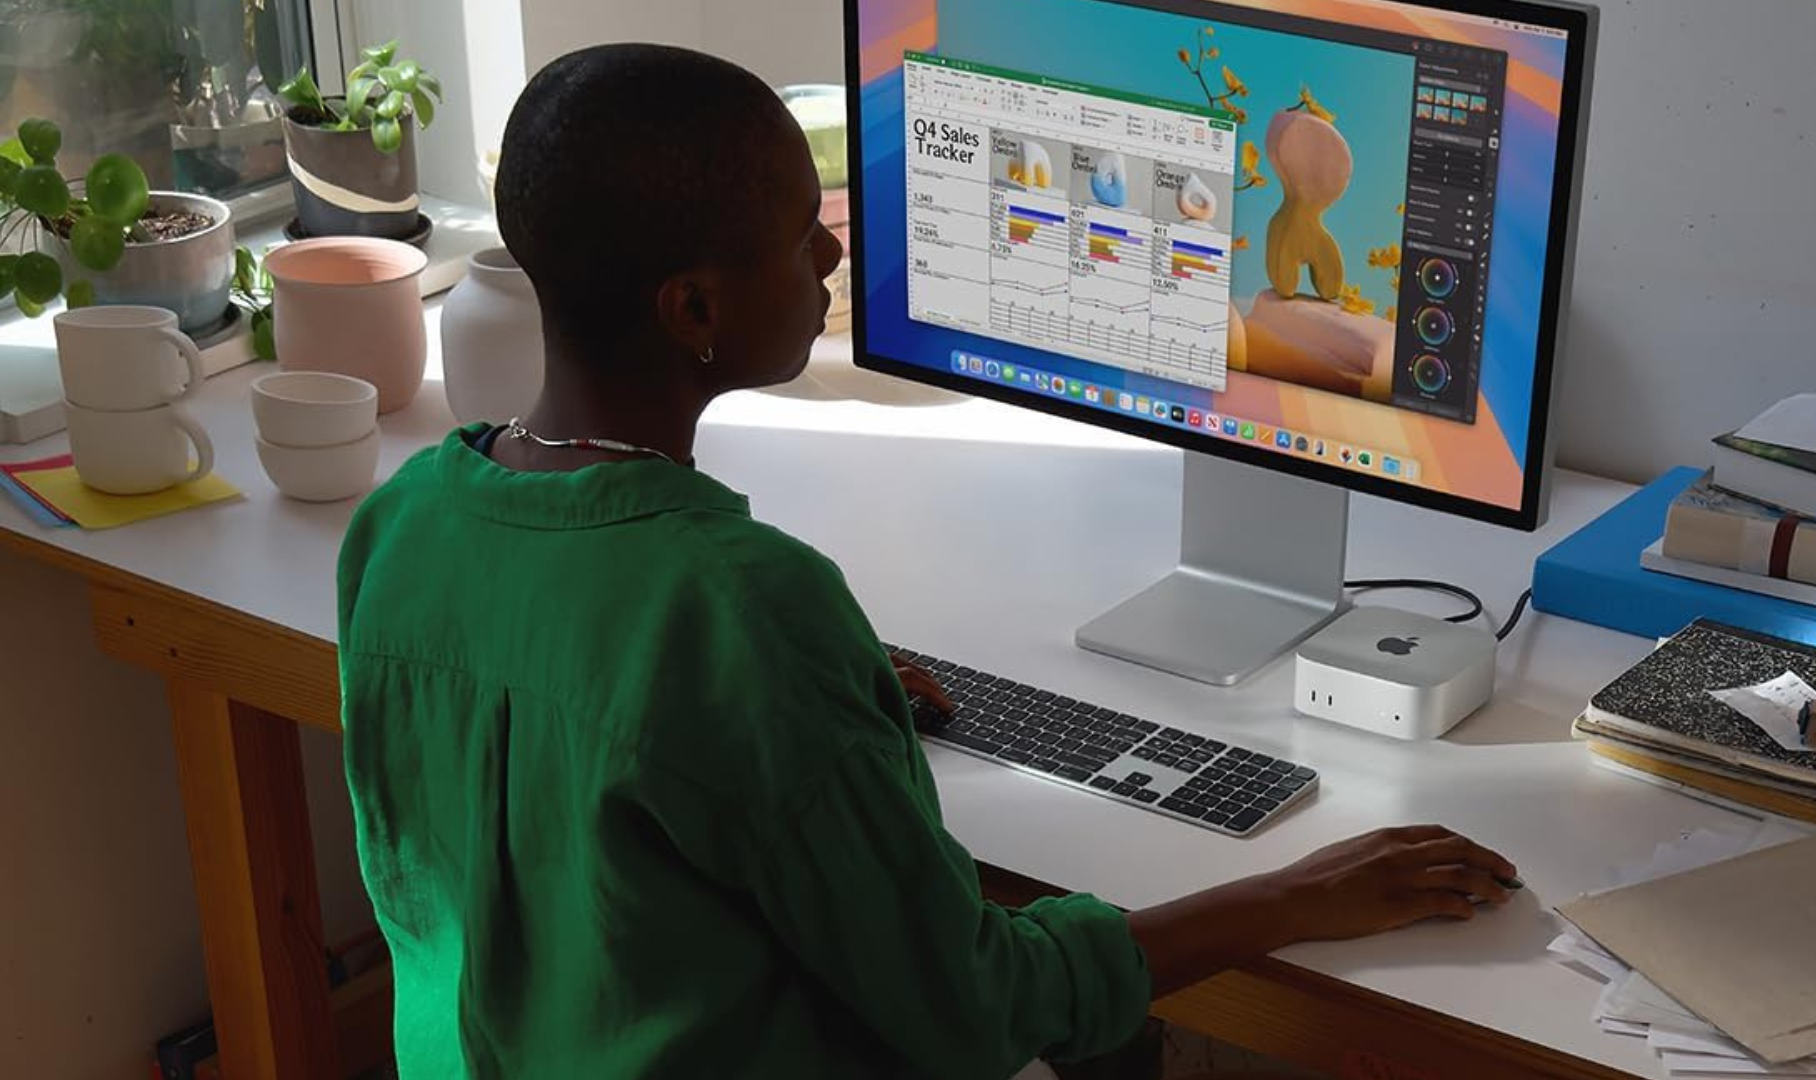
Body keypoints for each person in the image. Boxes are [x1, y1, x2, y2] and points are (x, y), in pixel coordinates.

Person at [336, 42, 1518, 1080]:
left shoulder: (402, 524)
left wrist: (817, 705)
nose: (829, 251)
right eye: (798, 236)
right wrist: (1293, 895)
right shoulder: (744, 609)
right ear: (692, 309)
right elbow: (974, 1007)